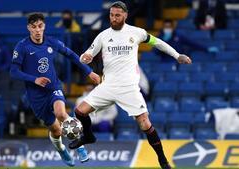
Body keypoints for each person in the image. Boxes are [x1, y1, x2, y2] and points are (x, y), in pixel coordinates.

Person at [68, 2, 192, 169]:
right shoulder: (103, 36)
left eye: (117, 15)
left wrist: (177, 55)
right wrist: (85, 57)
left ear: (125, 16)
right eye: (111, 15)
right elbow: (88, 53)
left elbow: (158, 43)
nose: (113, 18)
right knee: (79, 111)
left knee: (145, 124)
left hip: (129, 88)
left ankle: (163, 160)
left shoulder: (137, 32)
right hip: (108, 86)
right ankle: (89, 136)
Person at [10, 13, 101, 166]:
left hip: (53, 88)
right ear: (29, 28)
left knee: (61, 113)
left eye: (40, 26)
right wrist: (34, 79)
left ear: (44, 26)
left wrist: (89, 72)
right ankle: (61, 149)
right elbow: (13, 72)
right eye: (34, 27)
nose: (37, 30)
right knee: (56, 131)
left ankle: (80, 146)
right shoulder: (22, 46)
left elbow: (71, 55)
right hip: (36, 96)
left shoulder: (52, 42)